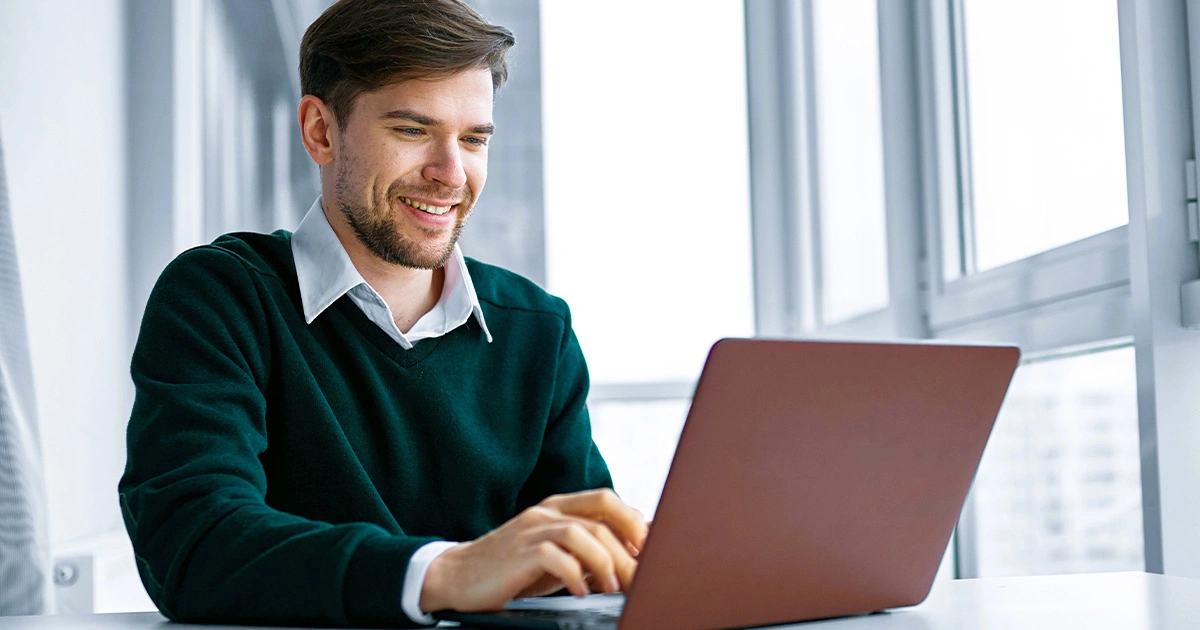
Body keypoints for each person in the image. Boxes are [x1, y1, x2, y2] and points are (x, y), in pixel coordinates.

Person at [117, 0, 647, 626]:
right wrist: (445, 572)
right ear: (321, 131)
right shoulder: (221, 299)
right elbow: (193, 543)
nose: (451, 174)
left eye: (474, 139)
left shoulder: (539, 330)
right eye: (412, 130)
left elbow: (581, 565)